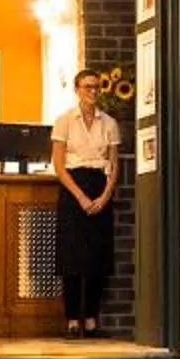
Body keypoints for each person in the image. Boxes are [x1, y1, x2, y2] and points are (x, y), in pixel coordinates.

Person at [51, 69, 121, 338]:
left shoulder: (109, 123)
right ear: (77, 89)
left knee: (97, 257)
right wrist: (80, 196)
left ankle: (91, 319)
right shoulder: (64, 121)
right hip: (73, 187)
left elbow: (114, 164)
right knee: (71, 255)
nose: (92, 92)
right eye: (87, 87)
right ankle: (71, 318)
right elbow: (59, 164)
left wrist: (105, 196)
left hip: (99, 184)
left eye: (96, 87)